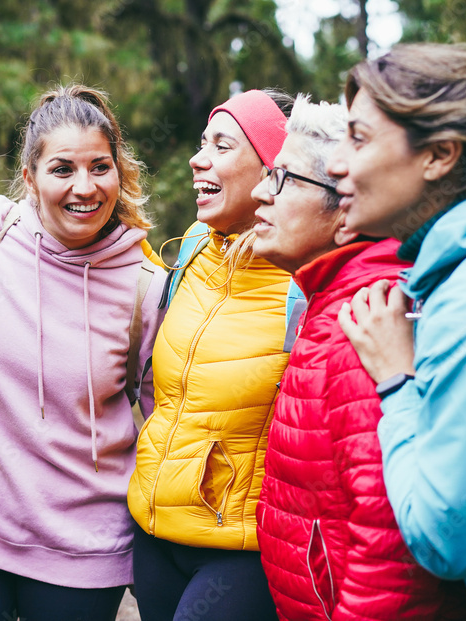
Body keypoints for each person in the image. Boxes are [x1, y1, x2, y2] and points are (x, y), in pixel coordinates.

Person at [0, 84, 166, 621]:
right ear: (29, 178)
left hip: (84, 553)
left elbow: (168, 420)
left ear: (120, 171)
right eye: (63, 169)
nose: (84, 187)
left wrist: (163, 552)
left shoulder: (145, 286)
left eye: (100, 167)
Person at [328, 23, 466, 620]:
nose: (334, 163)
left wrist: (398, 382)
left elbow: (451, 539)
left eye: (357, 138)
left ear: (438, 155)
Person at [251, 94, 466, 620]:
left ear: (346, 211)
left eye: (282, 178)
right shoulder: (329, 302)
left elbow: (390, 545)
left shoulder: (366, 318)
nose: (261, 192)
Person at [127, 88, 293, 621]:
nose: (199, 159)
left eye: (222, 146)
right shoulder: (197, 244)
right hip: (155, 531)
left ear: (273, 170)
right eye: (202, 144)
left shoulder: (305, 278)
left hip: (241, 552)